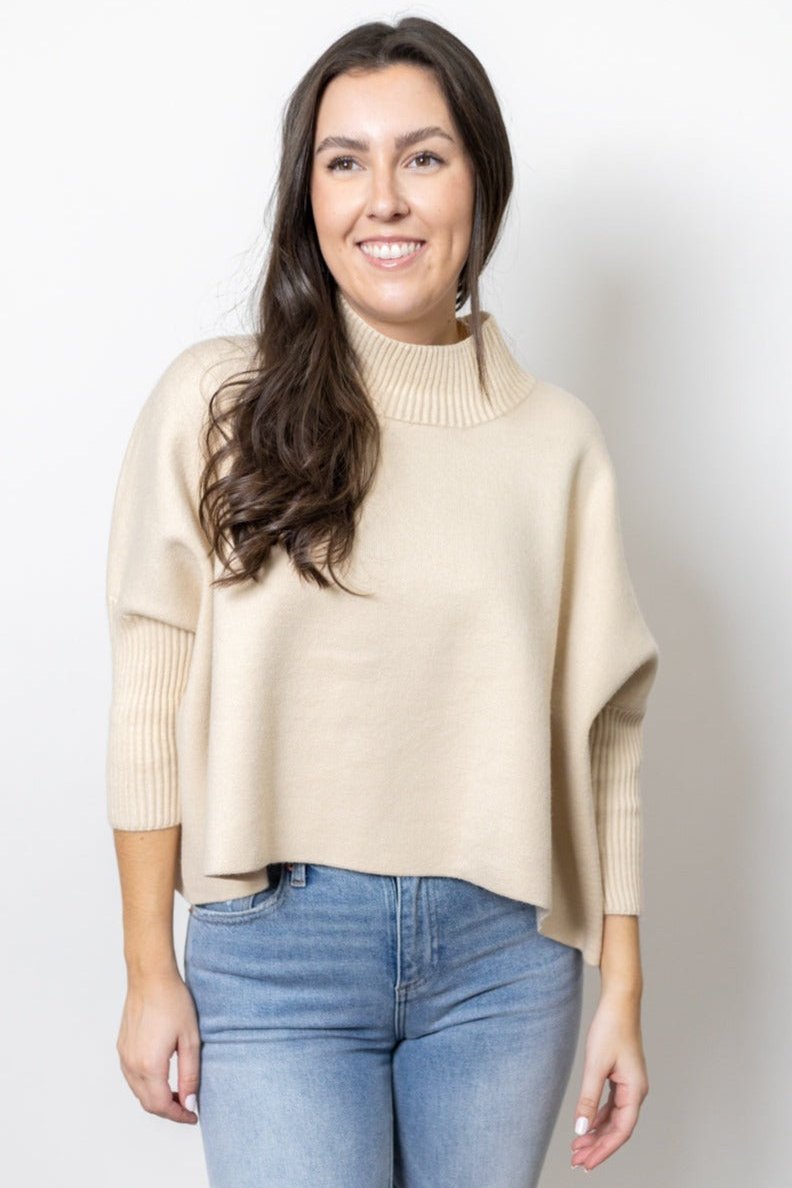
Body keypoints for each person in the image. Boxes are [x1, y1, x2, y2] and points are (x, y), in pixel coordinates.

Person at [106, 15, 660, 1188]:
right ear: (307, 196)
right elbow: (149, 696)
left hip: (505, 962)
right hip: (276, 954)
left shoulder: (558, 444)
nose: (385, 199)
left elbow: (604, 740)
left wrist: (623, 988)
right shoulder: (219, 404)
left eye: (424, 156)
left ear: (479, 181)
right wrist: (148, 966)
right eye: (345, 161)